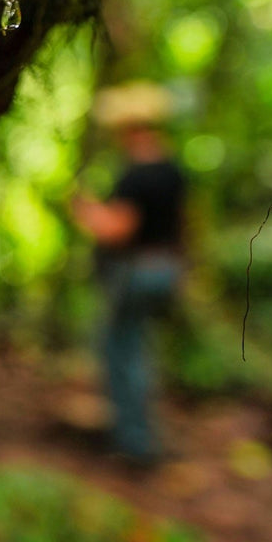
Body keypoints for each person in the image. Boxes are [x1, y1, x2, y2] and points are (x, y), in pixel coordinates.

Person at [70, 82, 187, 466]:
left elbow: (119, 230)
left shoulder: (136, 175)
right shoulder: (173, 170)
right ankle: (138, 435)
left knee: (122, 352)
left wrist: (86, 212)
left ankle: (134, 444)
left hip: (136, 272)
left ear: (131, 129)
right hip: (165, 268)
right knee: (138, 349)